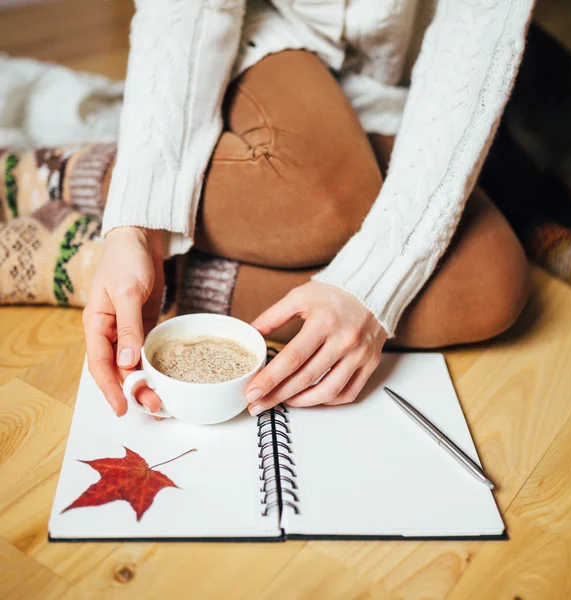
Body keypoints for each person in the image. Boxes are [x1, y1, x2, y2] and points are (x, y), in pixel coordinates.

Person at [83, 0, 533, 417]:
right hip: (264, 34)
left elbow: (472, 40)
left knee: (491, 286)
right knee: (327, 205)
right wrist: (135, 225)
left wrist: (370, 289)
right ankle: (78, 174)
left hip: (402, 86)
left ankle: (123, 268)